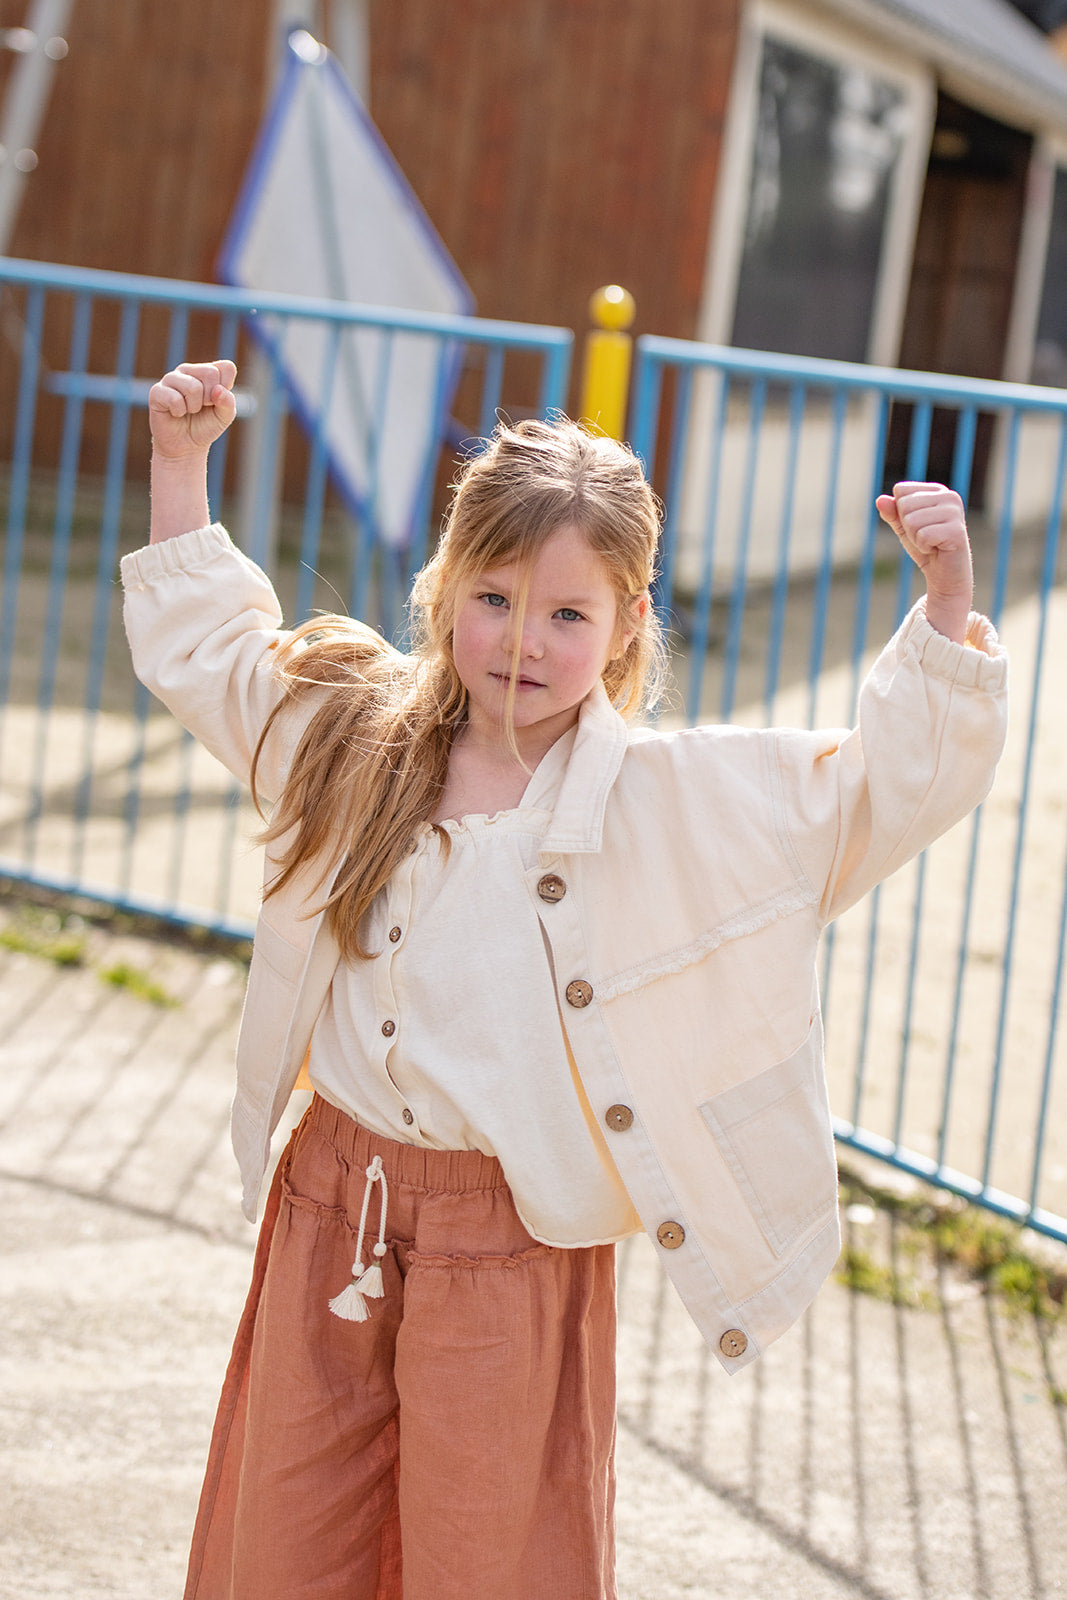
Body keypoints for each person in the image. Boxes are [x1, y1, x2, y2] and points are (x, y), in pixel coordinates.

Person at [124, 359, 1007, 1600]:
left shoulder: (671, 800)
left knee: (489, 1558)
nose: (522, 643)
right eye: (491, 597)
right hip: (336, 1203)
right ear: (441, 587)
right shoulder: (350, 735)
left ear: (627, 622)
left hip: (512, 1240)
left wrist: (945, 603)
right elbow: (214, 654)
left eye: (565, 615)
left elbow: (873, 794)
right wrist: (180, 463)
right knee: (288, 1534)